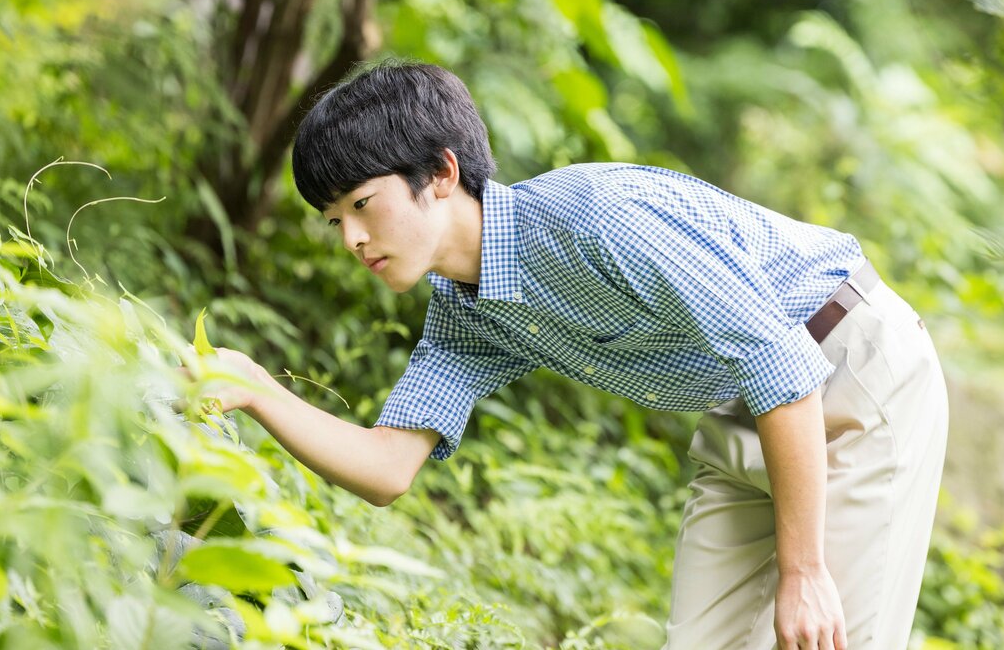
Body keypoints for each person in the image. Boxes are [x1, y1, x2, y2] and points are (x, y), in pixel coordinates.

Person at [200, 61, 949, 650]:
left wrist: (805, 569)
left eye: (361, 206)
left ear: (442, 175)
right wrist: (259, 389)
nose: (352, 241)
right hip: (748, 409)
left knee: (823, 632)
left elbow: (779, 365)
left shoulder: (597, 218)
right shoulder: (465, 312)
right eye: (334, 221)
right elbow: (390, 466)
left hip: (853, 372)